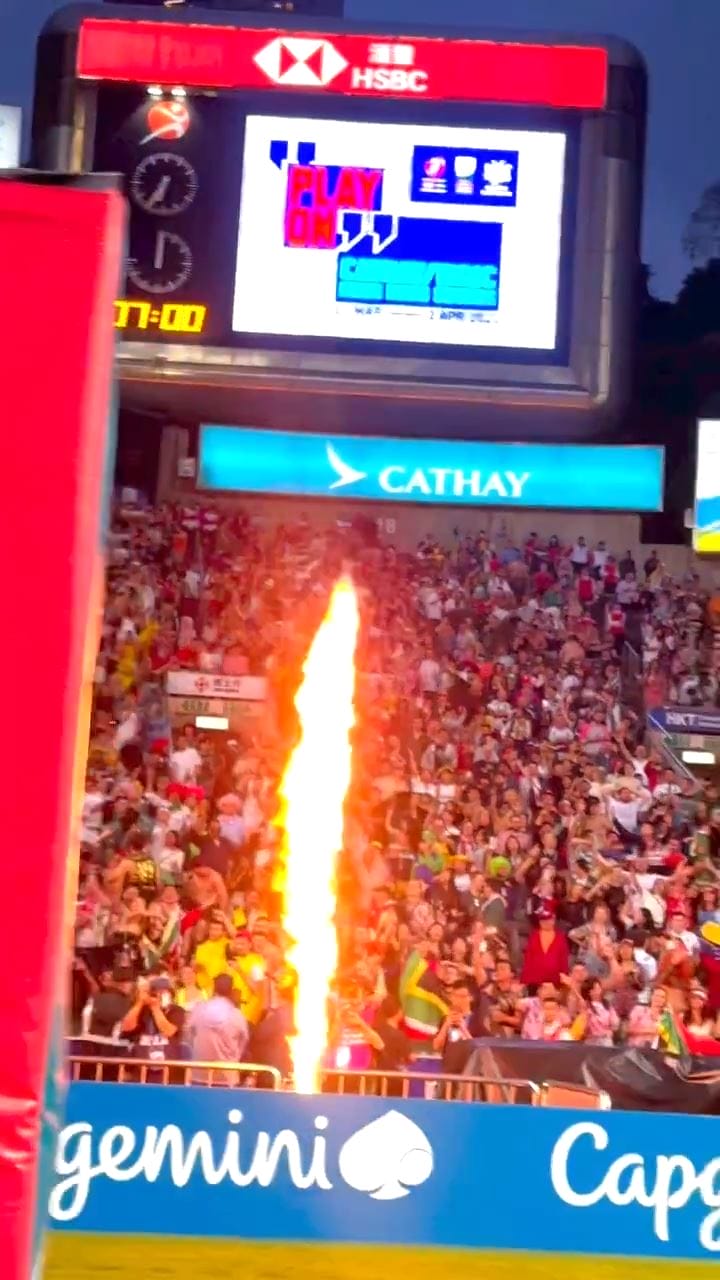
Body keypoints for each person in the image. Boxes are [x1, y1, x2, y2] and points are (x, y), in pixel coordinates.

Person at [185, 973, 249, 1084]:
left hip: (200, 1073)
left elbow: (189, 1034)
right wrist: (234, 1057)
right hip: (227, 1075)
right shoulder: (237, 1015)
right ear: (231, 991)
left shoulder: (199, 1009)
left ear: (214, 988)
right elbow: (244, 1040)